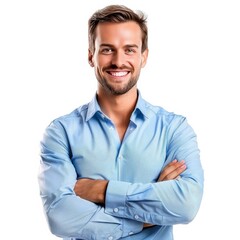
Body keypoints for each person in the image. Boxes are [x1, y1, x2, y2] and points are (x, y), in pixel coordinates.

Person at [38, 4, 204, 240]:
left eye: (129, 50)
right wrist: (145, 219)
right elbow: (61, 217)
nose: (118, 61)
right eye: (107, 49)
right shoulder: (61, 132)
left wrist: (100, 191)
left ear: (143, 57)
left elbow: (186, 204)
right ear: (90, 56)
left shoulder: (174, 129)